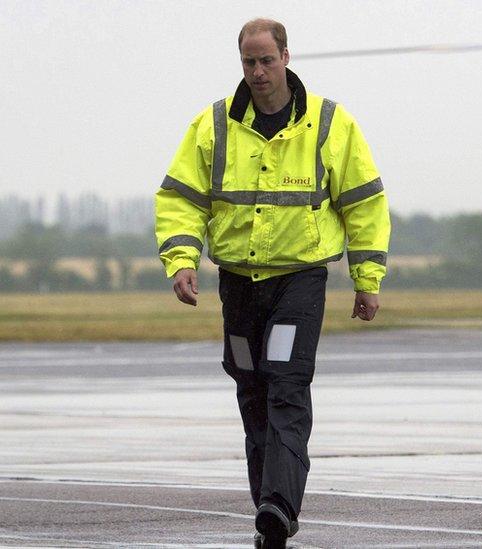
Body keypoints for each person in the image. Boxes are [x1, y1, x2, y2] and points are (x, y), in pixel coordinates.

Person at [154, 18, 390, 549]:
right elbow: (180, 198)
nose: (258, 72)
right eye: (248, 62)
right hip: (237, 285)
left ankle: (279, 505)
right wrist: (181, 260)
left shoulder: (329, 124)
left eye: (266, 60)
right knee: (251, 388)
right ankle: (269, 509)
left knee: (286, 383)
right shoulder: (213, 126)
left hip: (297, 284)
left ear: (286, 56)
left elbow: (364, 202)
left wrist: (367, 279)